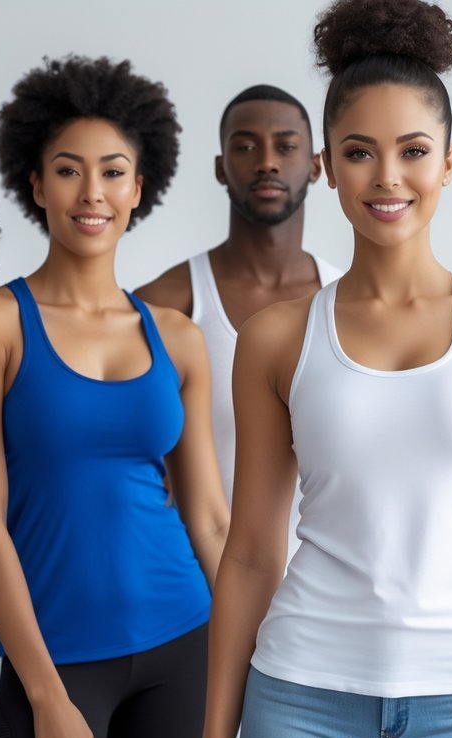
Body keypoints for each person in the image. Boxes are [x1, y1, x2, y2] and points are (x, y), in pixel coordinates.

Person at [189, 1, 452, 738]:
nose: (387, 178)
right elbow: (252, 551)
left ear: (447, 164)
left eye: (412, 152)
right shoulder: (276, 339)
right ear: (326, 166)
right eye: (360, 153)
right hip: (301, 701)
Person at [0, 56, 228, 738]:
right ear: (35, 183)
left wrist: (246, 683)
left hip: (185, 644)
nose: (91, 193)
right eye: (68, 170)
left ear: (141, 187)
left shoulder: (178, 339)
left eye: (112, 172)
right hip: (57, 658)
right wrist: (45, 695)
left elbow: (208, 522)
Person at [137, 84, 339, 552]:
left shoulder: (351, 301)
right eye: (245, 146)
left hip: (327, 597)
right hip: (200, 591)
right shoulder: (165, 305)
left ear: (316, 166)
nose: (266, 161)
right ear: (220, 168)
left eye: (286, 146)